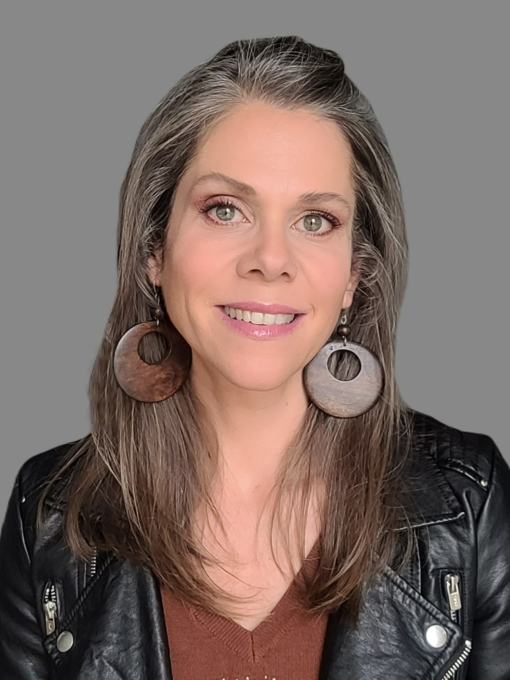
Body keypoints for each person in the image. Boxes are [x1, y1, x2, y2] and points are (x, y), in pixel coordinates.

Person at [0, 35, 508, 680]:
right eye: (225, 210)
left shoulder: (470, 502)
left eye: (315, 220)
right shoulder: (47, 513)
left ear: (354, 274)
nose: (270, 259)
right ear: (155, 249)